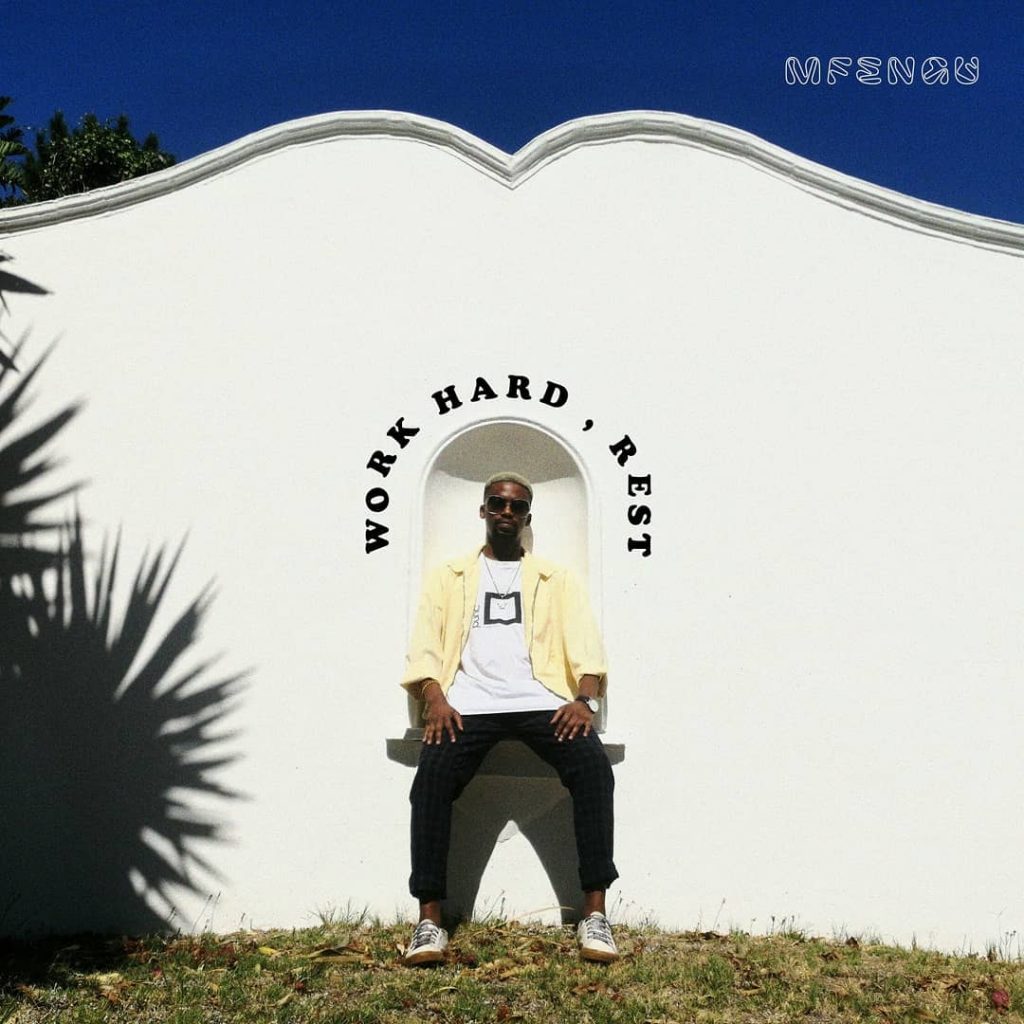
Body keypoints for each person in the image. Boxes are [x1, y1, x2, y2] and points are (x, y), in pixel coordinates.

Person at [400, 471, 618, 965]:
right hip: (468, 705)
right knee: (431, 778)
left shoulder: (554, 579)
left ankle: (595, 915)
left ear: (526, 518)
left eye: (516, 507)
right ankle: (430, 921)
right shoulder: (449, 575)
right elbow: (425, 647)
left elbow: (588, 650)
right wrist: (434, 698)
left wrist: (584, 702)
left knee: (591, 767)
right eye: (496, 503)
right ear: (482, 510)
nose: (505, 512)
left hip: (541, 699)